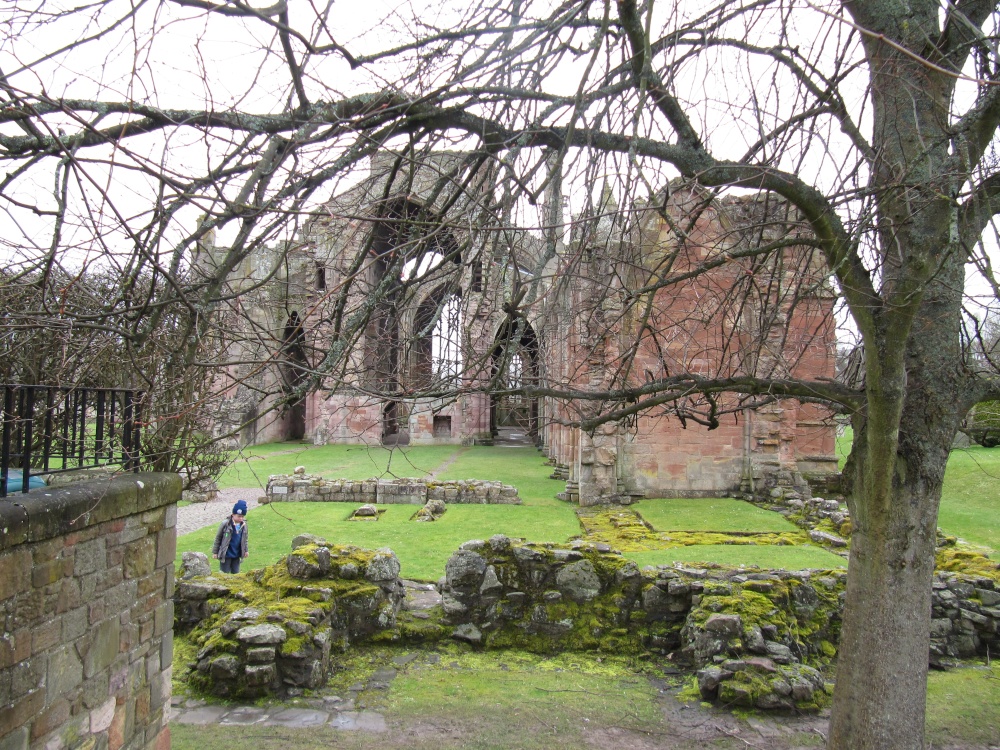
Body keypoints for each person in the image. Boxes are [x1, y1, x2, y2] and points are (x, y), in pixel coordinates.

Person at [213, 500, 250, 573]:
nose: (241, 518)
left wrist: (246, 550)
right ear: (233, 515)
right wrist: (215, 552)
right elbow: (218, 538)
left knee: (236, 573)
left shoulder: (244, 526)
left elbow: (245, 539)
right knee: (224, 573)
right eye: (239, 516)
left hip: (237, 554)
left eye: (242, 516)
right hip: (226, 554)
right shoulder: (225, 524)